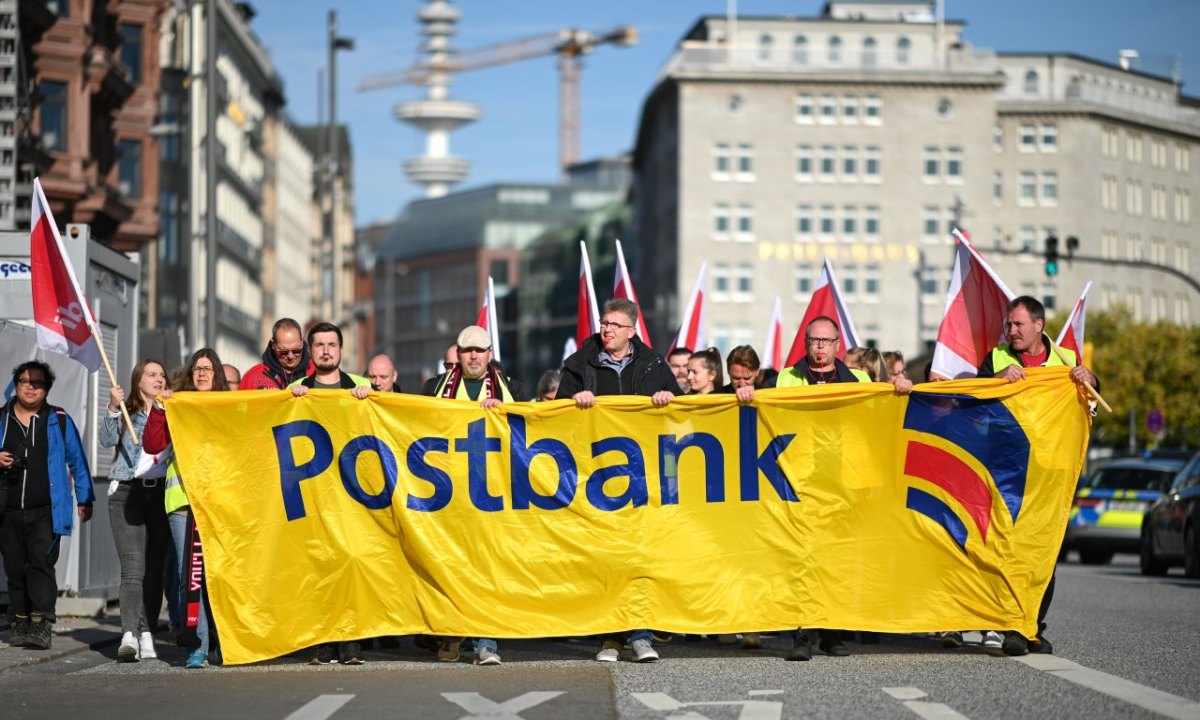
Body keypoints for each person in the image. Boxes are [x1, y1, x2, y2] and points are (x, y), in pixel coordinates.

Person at [738, 317, 912, 660]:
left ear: (837, 345)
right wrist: (746, 393)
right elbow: (761, 409)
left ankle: (834, 632)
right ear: (806, 342)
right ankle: (802, 633)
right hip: (798, 478)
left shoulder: (859, 379)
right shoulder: (787, 378)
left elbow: (883, 404)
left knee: (838, 556)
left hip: (843, 480)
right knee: (801, 557)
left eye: (826, 341)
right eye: (814, 341)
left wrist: (900, 384)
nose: (819, 347)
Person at [558, 298, 680, 663]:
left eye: (613, 324)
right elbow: (555, 418)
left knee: (640, 558)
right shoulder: (579, 366)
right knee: (606, 560)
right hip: (598, 481)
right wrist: (571, 401)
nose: (606, 330)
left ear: (631, 330)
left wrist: (669, 399)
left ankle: (641, 635)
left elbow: (684, 419)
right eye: (603, 323)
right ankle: (610, 638)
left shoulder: (654, 366)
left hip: (644, 481)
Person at [979, 296, 1097, 657]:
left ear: (1039, 326)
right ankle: (1013, 624)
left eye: (1018, 325)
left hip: (1050, 476)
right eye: (1008, 325)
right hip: (1008, 474)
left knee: (1042, 553)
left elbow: (1091, 405)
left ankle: (1031, 626)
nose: (1011, 331)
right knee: (1009, 550)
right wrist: (997, 381)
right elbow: (970, 399)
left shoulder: (1066, 361)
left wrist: (1089, 379)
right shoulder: (997, 359)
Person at [419, 325, 516, 665]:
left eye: (480, 350)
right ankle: (451, 635)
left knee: (487, 568)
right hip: (448, 495)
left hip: (492, 496)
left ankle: (486, 642)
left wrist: (504, 412)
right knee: (450, 567)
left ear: (490, 354)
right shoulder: (433, 389)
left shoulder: (510, 390)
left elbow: (527, 434)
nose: (473, 356)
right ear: (457, 356)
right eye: (466, 350)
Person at [289, 323, 371, 663]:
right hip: (312, 494)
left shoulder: (361, 387)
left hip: (353, 493)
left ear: (341, 349)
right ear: (310, 350)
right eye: (320, 344)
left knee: (352, 563)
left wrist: (370, 402)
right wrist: (288, 403)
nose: (326, 350)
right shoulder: (297, 389)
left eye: (332, 344)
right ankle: (321, 639)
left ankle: (350, 640)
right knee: (318, 565)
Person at [143, 348, 230, 668]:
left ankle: (221, 641)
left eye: (208, 369)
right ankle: (199, 644)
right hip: (182, 500)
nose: (203, 374)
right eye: (197, 369)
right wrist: (159, 409)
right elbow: (153, 444)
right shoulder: (177, 403)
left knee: (218, 574)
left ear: (217, 374)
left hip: (220, 502)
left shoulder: (228, 406)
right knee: (191, 574)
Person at [0, 361, 94, 650]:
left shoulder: (60, 419)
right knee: (14, 567)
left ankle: (41, 625)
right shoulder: (1, 419)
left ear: (46, 389)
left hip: (47, 509)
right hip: (7, 508)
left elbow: (77, 460)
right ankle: (20, 621)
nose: (30, 386)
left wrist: (85, 497)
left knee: (41, 563)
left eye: (37, 383)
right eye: (24, 380)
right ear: (15, 384)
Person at [101, 359, 171, 662]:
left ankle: (147, 631)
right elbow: (106, 440)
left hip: (161, 495)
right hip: (127, 492)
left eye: (162, 375)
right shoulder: (128, 412)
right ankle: (129, 633)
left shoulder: (173, 411)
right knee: (133, 567)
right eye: (151, 374)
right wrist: (113, 408)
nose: (158, 379)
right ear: (137, 380)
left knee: (155, 570)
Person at [239, 318, 314, 390]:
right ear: (273, 345)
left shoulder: (317, 372)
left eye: (296, 350)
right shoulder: (253, 376)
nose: (290, 356)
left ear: (302, 341)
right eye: (283, 352)